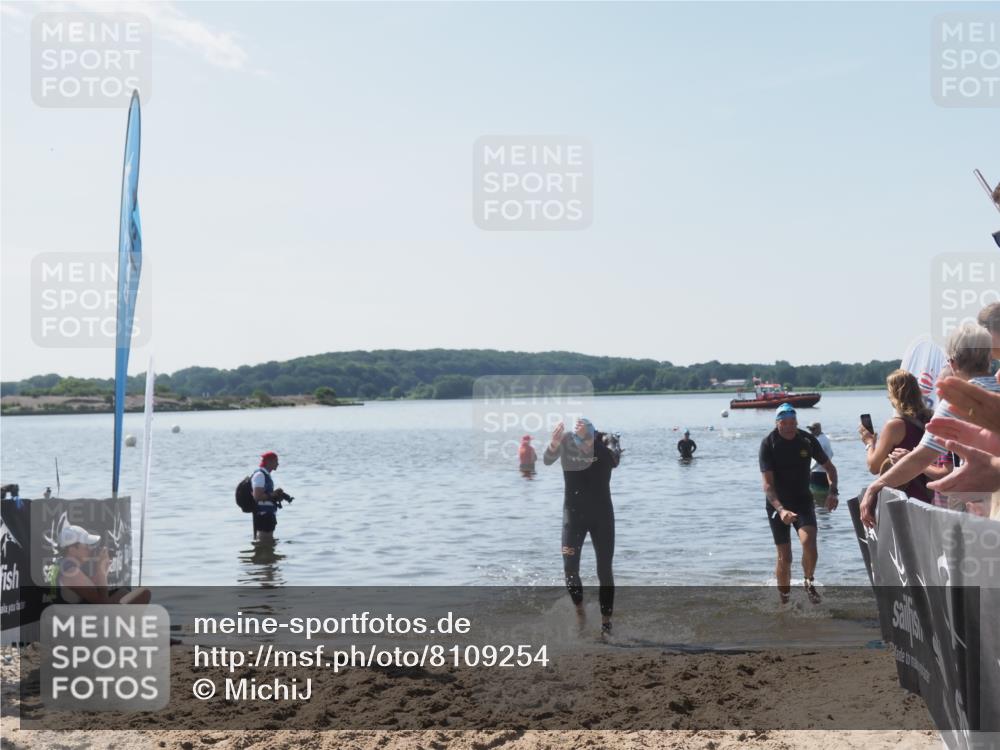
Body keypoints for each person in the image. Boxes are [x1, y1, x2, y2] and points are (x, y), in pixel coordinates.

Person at [861, 325, 1000, 526]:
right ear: (989, 359)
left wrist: (876, 485)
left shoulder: (957, 401)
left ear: (952, 363)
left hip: (979, 510)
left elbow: (921, 457)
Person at [544, 417, 620, 636]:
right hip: (573, 519)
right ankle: (580, 612)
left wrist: (596, 441)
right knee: (569, 568)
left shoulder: (605, 446)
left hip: (602, 518)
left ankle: (606, 623)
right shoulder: (567, 447)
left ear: (594, 437)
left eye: (585, 439)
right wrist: (554, 443)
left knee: (604, 570)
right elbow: (547, 459)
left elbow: (615, 460)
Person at [759, 403, 839, 604]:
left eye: (792, 422)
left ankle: (808, 581)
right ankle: (784, 600)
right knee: (785, 557)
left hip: (803, 500)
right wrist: (781, 510)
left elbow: (830, 469)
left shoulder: (807, 440)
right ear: (777, 423)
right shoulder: (769, 443)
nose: (789, 427)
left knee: (809, 543)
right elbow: (767, 485)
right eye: (784, 423)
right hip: (777, 504)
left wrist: (833, 492)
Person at [856, 370, 942, 503]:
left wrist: (869, 443)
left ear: (894, 395)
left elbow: (874, 467)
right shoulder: (931, 419)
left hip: (904, 499)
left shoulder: (894, 425)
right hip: (929, 497)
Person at [53, 524, 150, 605]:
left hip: (75, 613)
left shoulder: (65, 565)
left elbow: (92, 587)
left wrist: (104, 569)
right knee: (143, 594)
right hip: (75, 619)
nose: (90, 549)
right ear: (72, 549)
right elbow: (102, 603)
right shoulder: (71, 572)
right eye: (86, 546)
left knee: (122, 594)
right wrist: (101, 571)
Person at [251, 451, 291, 541]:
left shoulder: (265, 475)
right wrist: (274, 494)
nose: (278, 464)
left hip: (267, 514)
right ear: (269, 462)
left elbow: (265, 495)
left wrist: (275, 496)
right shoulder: (260, 475)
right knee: (265, 541)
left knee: (267, 543)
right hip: (263, 515)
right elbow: (257, 496)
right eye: (276, 461)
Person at [807, 423, 833, 488]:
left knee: (814, 493)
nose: (811, 432)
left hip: (817, 473)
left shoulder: (819, 441)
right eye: (810, 429)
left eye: (813, 429)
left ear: (819, 429)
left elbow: (818, 459)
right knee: (824, 493)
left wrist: (809, 469)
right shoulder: (826, 438)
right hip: (826, 473)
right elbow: (831, 453)